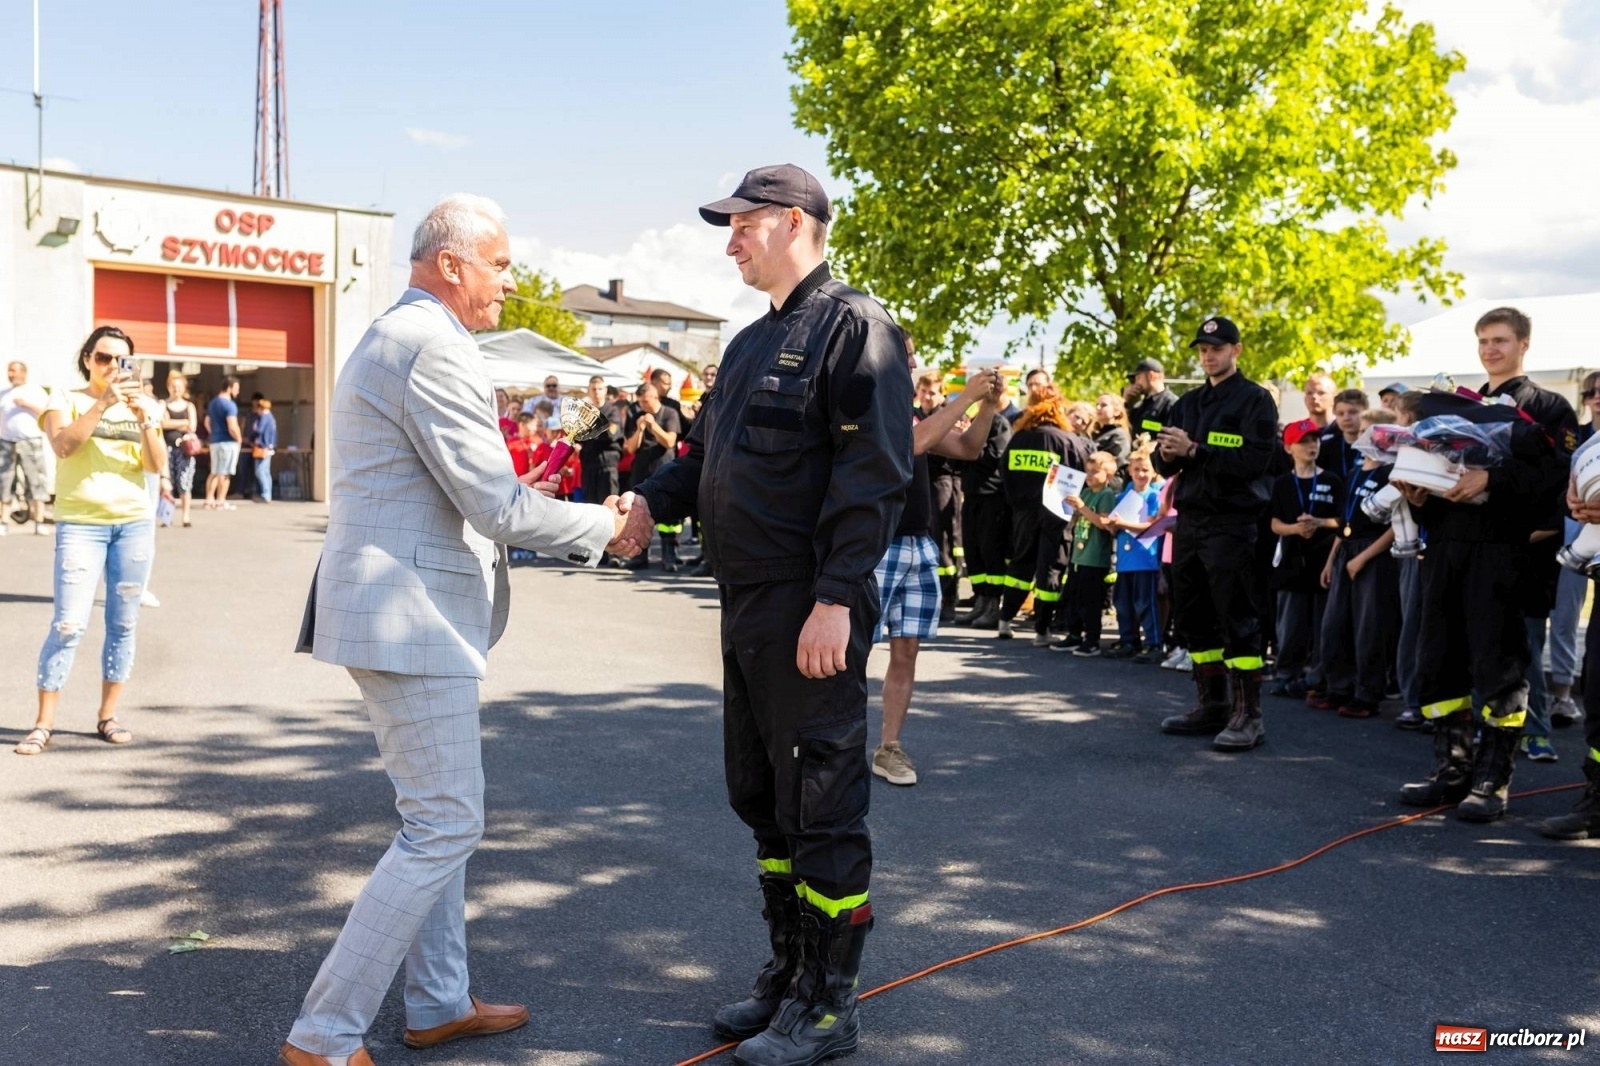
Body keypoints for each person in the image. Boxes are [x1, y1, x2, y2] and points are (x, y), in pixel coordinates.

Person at [283, 194, 633, 1066]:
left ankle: (437, 1001)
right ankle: (323, 1036)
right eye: (501, 264)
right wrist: (605, 524)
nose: (510, 282)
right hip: (411, 617)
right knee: (444, 823)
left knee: (431, 816)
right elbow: (495, 504)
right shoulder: (432, 345)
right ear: (451, 264)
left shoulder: (404, 335)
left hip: (400, 611)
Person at [617, 164, 912, 1066]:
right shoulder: (748, 345)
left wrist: (833, 598)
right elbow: (703, 453)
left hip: (809, 604)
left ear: (792, 223)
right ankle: (788, 973)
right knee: (763, 795)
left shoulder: (855, 328)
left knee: (823, 801)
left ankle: (830, 1005)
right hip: (745, 605)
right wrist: (647, 504)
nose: (731, 240)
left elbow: (875, 477)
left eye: (742, 224)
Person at [1395, 307, 1567, 823]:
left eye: (1500, 340)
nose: (1490, 350)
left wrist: (1492, 482)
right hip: (1446, 547)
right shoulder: (1458, 407)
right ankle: (1453, 772)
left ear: (1524, 345)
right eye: (1483, 341)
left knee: (1499, 666)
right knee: (1440, 660)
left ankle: (1493, 781)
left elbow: (1555, 484)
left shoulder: (1549, 407)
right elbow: (1441, 469)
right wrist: (1420, 494)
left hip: (1504, 553)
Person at [14, 326, 168, 756]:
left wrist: (146, 420)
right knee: (68, 624)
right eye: (103, 358)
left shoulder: (145, 404)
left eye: (122, 361)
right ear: (87, 359)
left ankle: (107, 716)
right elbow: (64, 446)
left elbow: (156, 466)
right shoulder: (65, 398)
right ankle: (43, 724)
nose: (113, 367)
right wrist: (103, 404)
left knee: (122, 624)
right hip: (82, 525)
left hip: (133, 525)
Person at [874, 351, 1001, 787]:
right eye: (903, 353)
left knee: (906, 651)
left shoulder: (911, 412)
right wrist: (967, 395)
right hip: (874, 546)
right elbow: (914, 444)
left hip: (917, 544)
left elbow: (968, 448)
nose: (911, 361)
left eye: (911, 355)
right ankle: (833, 745)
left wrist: (987, 406)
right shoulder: (868, 399)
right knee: (846, 654)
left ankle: (888, 747)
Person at [1153, 316, 1279, 752]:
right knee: (1193, 617)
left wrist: (1195, 451)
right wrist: (1167, 454)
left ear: (1236, 350)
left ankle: (1250, 715)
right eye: (1203, 349)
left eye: (1217, 348)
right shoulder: (1186, 403)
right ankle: (1213, 705)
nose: (1208, 355)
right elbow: (1163, 464)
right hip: (1190, 520)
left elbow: (1256, 462)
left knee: (1238, 618)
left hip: (1233, 523)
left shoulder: (1255, 400)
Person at [1315, 408, 1400, 719]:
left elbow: (1395, 526)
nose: (1365, 436)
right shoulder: (1354, 472)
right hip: (1346, 551)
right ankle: (1339, 687)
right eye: (1364, 430)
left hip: (1372, 556)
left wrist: (1363, 557)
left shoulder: (1392, 475)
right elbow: (1345, 521)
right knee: (1335, 624)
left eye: (1372, 431)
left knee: (1370, 628)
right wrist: (1331, 560)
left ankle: (1367, 693)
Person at [995, 391, 1089, 644]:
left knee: (1020, 564)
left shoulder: (1019, 439)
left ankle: (1005, 620)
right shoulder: (1068, 440)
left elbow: (1005, 472)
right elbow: (1081, 471)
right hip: (1057, 513)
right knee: (1051, 568)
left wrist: (1018, 502)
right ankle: (1042, 630)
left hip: (1024, 513)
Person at [1268, 419, 1344, 701]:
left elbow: (1342, 521)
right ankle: (1286, 673)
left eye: (1314, 440)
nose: (1311, 446)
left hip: (1323, 562)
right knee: (1290, 624)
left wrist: (1319, 522)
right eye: (1303, 442)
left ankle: (1317, 676)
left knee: (1324, 623)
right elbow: (1274, 523)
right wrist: (1296, 529)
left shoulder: (1332, 480)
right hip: (1291, 563)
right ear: (1289, 448)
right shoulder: (1282, 483)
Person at [1545, 370, 1600, 730]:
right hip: (1574, 532)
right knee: (1564, 615)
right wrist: (1575, 508)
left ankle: (1568, 695)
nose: (1597, 396)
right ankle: (1563, 696)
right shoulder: (1575, 438)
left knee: (1574, 621)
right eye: (1591, 391)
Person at [955, 381, 1014, 629]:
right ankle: (980, 599)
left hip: (993, 497)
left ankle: (993, 604)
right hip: (971, 496)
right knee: (973, 550)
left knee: (991, 551)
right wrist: (961, 439)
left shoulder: (999, 423)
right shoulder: (971, 423)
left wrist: (970, 446)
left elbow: (993, 455)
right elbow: (957, 458)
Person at [1057, 452, 1121, 655]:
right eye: (1088, 471)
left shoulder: (1106, 495)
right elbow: (1077, 521)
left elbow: (1103, 523)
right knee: (1073, 598)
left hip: (1095, 560)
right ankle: (1074, 635)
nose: (1089, 475)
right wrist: (1072, 511)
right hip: (1078, 557)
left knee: (1090, 602)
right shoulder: (1084, 493)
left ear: (1108, 475)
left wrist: (1082, 508)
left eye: (1095, 472)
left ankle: (1092, 640)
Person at [1106, 445, 1165, 661]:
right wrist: (1111, 525)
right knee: (1123, 603)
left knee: (1145, 603)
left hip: (1144, 559)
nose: (1141, 474)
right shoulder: (1123, 495)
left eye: (1146, 470)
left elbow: (1150, 525)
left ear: (1153, 472)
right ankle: (1128, 639)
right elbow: (1115, 527)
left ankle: (1154, 643)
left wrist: (1122, 523)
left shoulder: (1153, 495)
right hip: (1125, 560)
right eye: (1137, 469)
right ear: (1130, 470)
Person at [914, 369, 963, 622]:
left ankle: (949, 598)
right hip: (918, 482)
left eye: (932, 392)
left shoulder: (950, 416)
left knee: (945, 543)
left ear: (942, 394)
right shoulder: (914, 414)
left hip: (942, 483)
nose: (927, 397)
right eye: (923, 391)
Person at [622, 382, 683, 571]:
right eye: (639, 402)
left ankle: (669, 556)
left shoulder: (669, 413)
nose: (642, 406)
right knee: (639, 514)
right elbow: (630, 448)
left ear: (654, 398)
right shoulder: (637, 416)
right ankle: (639, 556)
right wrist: (640, 429)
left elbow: (670, 441)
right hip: (641, 469)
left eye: (645, 401)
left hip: (664, 468)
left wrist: (653, 425)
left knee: (668, 517)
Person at [579, 375, 626, 563]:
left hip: (607, 465)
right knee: (591, 508)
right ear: (589, 391)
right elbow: (579, 435)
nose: (596, 392)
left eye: (600, 389)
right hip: (589, 465)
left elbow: (612, 433)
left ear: (605, 391)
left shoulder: (612, 410)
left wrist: (593, 428)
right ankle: (598, 552)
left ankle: (615, 551)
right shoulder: (584, 412)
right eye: (593, 389)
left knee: (610, 509)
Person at [1, 359, 51, 537]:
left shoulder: (34, 391)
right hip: (7, 442)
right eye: (9, 371)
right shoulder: (4, 393)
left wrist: (26, 404)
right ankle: (4, 522)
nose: (10, 374)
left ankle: (38, 522)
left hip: (30, 441)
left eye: (13, 371)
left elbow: (47, 414)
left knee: (36, 481)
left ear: (23, 372)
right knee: (5, 482)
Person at [161, 373, 199, 528]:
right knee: (167, 483)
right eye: (173, 386)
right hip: (167, 447)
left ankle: (186, 516)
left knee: (185, 482)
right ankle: (166, 517)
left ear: (184, 388)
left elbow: (193, 426)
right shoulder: (163, 404)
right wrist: (183, 422)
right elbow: (162, 423)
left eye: (179, 387)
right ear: (169, 387)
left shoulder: (189, 406)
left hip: (185, 450)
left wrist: (173, 423)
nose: (176, 389)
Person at [204, 376, 242, 510]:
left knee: (214, 471)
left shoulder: (213, 403)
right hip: (228, 442)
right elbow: (232, 425)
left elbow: (207, 422)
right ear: (230, 388)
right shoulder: (230, 405)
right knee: (225, 473)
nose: (238, 391)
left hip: (214, 441)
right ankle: (221, 500)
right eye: (236, 388)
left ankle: (209, 499)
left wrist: (213, 433)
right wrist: (239, 439)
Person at [1125, 356, 1177, 436]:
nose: (1136, 383)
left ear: (1151, 376)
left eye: (1138, 378)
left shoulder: (1172, 403)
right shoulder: (1139, 406)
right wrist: (1125, 400)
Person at [1092, 392, 1133, 478]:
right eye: (1097, 405)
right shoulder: (1093, 433)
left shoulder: (1120, 436)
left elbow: (1111, 463)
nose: (1098, 408)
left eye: (1104, 405)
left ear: (1117, 411)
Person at [252, 398, 278, 503]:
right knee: (266, 471)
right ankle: (268, 494)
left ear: (260, 408)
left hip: (263, 446)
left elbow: (259, 430)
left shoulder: (264, 417)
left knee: (260, 471)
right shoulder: (272, 418)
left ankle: (265, 493)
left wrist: (254, 428)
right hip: (270, 446)